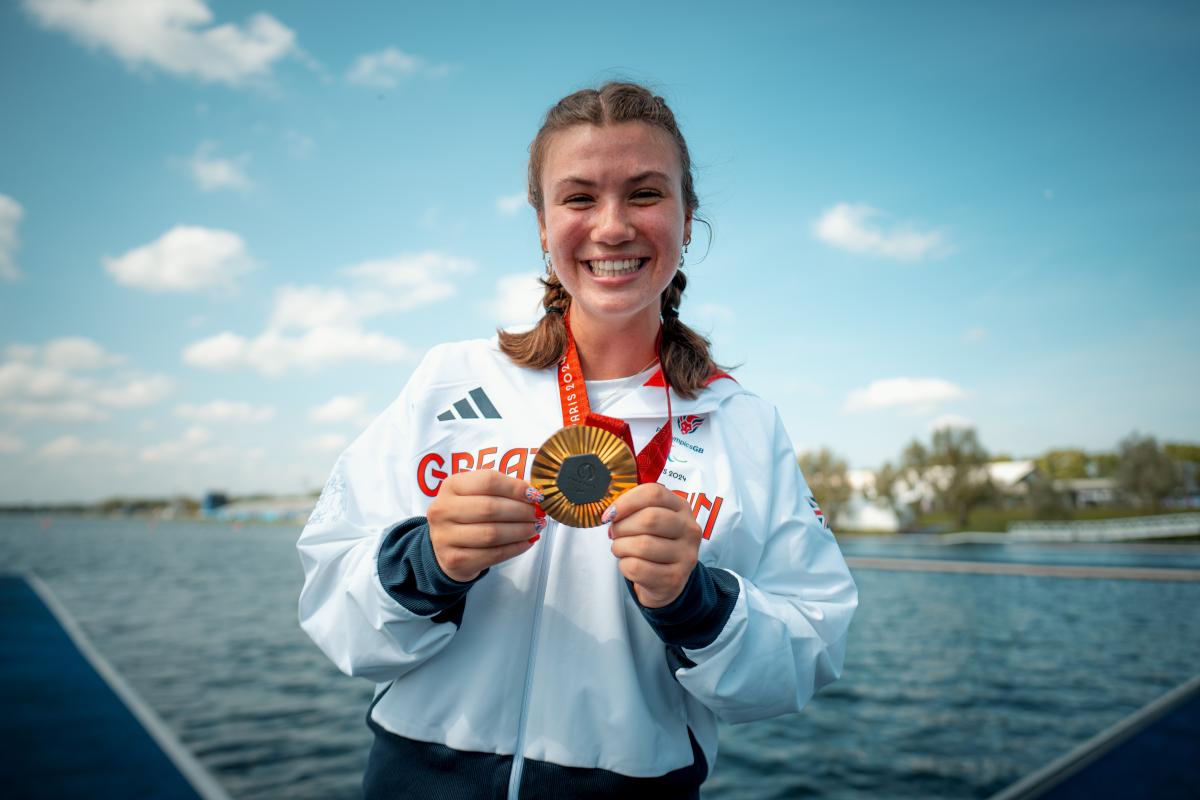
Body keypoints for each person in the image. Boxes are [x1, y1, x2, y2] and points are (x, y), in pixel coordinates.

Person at [298, 81, 857, 800]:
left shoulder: (741, 424)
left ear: (688, 221)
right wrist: (424, 565)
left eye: (646, 194)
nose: (613, 225)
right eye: (580, 197)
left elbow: (807, 653)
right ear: (541, 224)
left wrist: (700, 606)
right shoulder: (448, 381)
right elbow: (329, 606)